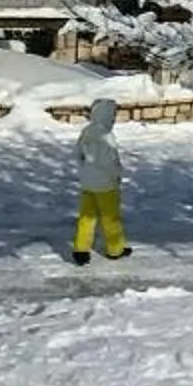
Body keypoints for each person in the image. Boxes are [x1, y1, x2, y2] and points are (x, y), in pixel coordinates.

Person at [69, 96, 129, 264]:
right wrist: (118, 174)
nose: (114, 118)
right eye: (113, 115)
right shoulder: (106, 136)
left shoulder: (87, 131)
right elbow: (109, 163)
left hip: (87, 184)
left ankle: (80, 249)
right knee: (110, 218)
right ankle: (115, 248)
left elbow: (77, 154)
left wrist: (84, 171)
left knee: (86, 217)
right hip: (106, 186)